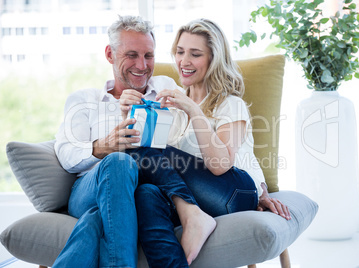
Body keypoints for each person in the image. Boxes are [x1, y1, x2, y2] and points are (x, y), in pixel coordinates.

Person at [119, 18, 291, 267]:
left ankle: (191, 214)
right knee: (146, 193)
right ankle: (187, 228)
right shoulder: (172, 108)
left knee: (148, 152)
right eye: (179, 52)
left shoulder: (230, 104)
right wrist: (127, 115)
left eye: (195, 54)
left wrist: (194, 111)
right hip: (197, 197)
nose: (184, 61)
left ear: (213, 59)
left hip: (233, 192)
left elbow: (220, 165)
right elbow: (153, 166)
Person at [52, 15, 184, 268]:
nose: (142, 65)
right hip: (90, 189)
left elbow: (199, 135)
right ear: (110, 54)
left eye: (149, 55)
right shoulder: (84, 100)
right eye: (132, 55)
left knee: (96, 219)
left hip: (146, 193)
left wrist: (258, 186)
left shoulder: (166, 89)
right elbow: (66, 156)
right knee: (118, 162)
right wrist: (105, 146)